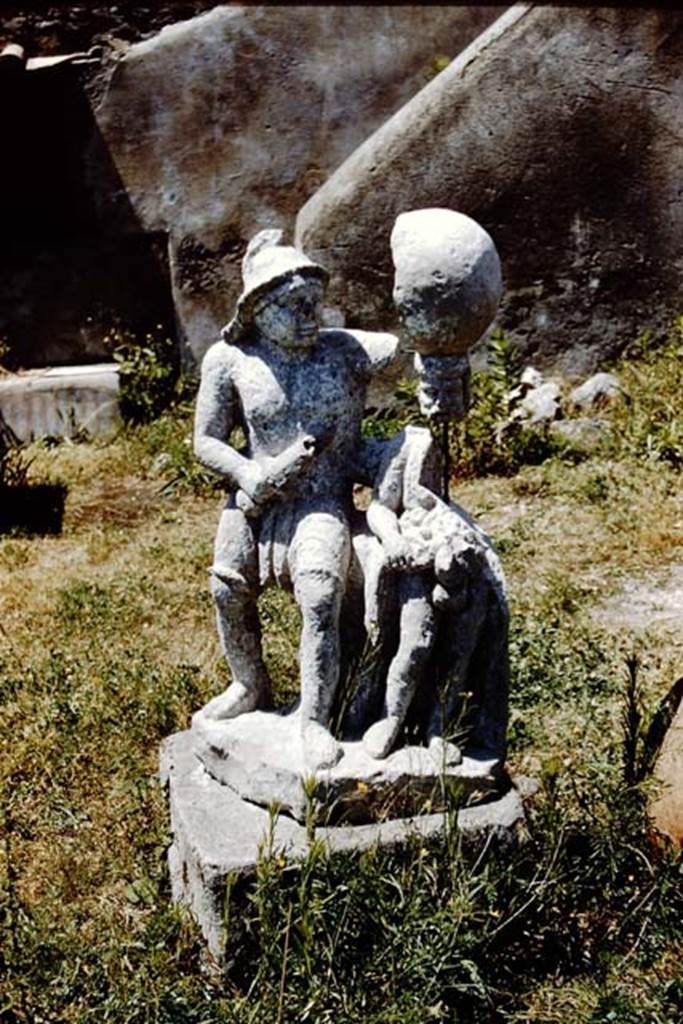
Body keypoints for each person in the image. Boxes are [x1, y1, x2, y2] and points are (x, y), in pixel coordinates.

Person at [193, 229, 397, 771]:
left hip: (320, 500)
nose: (312, 315)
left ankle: (313, 717)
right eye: (295, 305)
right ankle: (249, 683)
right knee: (226, 588)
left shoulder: (340, 351)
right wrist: (245, 471)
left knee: (320, 595)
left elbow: (406, 342)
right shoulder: (229, 360)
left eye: (316, 303)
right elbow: (205, 440)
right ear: (257, 310)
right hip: (257, 497)